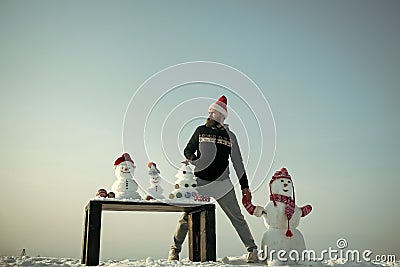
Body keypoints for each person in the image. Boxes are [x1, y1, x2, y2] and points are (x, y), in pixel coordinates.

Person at [168, 95, 258, 263]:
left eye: (216, 113)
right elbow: (188, 149)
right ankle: (174, 250)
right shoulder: (201, 130)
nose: (212, 116)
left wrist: (244, 187)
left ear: (223, 116)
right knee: (187, 216)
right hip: (200, 182)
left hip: (223, 183)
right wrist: (194, 160)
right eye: (210, 113)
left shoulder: (230, 136)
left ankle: (252, 249)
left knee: (237, 217)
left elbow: (238, 162)